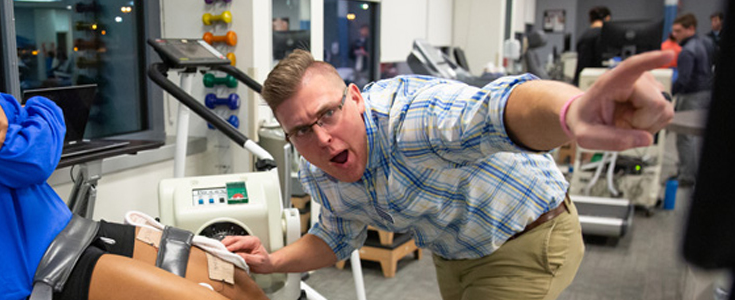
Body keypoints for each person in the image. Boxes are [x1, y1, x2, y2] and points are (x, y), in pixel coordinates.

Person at [0, 0, 266, 299]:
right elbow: (32, 160)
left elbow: (21, 109)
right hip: (34, 264)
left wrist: (5, 105)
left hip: (73, 232)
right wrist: (38, 107)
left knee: (231, 276)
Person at [224, 49, 674, 300]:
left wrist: (572, 110)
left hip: (530, 236)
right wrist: (272, 260)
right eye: (301, 130)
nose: (320, 139)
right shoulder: (319, 170)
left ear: (356, 98)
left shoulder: (413, 120)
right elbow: (336, 236)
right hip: (455, 253)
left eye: (328, 114)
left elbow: (500, 109)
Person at [671, 13, 714, 187]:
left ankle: (687, 176)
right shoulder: (706, 43)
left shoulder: (687, 51)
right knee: (694, 137)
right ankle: (690, 171)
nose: (675, 35)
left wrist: (668, 95)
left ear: (690, 29)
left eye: (678, 31)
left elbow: (683, 80)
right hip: (705, 92)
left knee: (684, 137)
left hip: (691, 96)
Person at [573, 6, 611, 86]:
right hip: (595, 81)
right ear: (607, 18)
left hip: (581, 79)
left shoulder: (584, 35)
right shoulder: (604, 35)